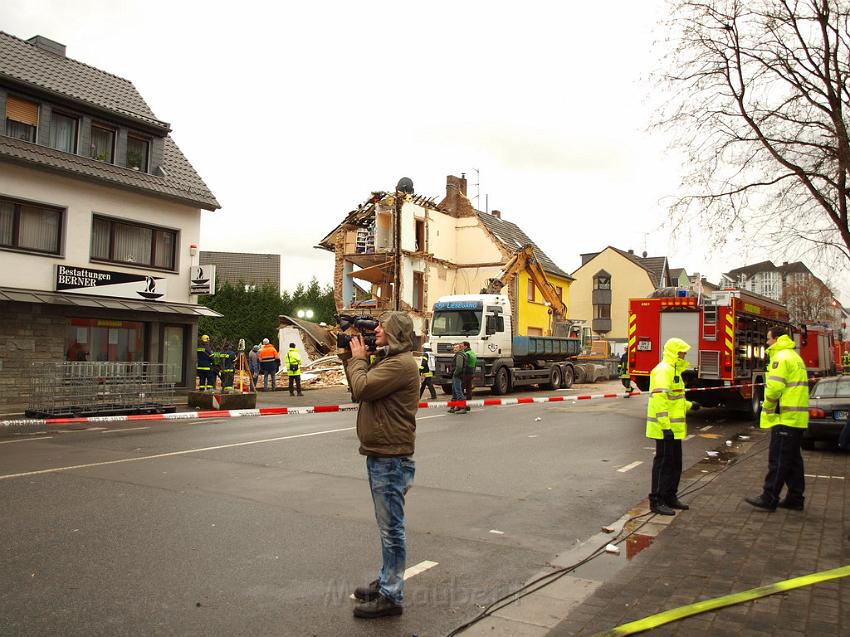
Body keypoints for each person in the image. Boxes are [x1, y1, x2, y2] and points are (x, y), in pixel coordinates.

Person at [343, 312, 419, 619]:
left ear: (395, 334)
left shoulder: (400, 365)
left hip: (390, 457)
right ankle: (387, 580)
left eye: (381, 328)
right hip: (384, 453)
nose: (375, 330)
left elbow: (361, 388)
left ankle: (391, 595)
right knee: (388, 528)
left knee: (392, 530)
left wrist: (358, 358)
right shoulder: (392, 361)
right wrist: (354, 358)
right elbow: (360, 388)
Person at [746, 326, 809, 511]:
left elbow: (773, 389)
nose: (767, 342)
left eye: (768, 339)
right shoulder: (795, 357)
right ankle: (795, 498)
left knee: (779, 459)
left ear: (777, 339)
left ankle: (769, 497)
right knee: (793, 460)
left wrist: (768, 410)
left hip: (785, 418)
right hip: (797, 418)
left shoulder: (780, 358)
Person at [646, 337, 700, 515]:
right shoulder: (663, 371)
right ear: (675, 352)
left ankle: (670, 496)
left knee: (675, 463)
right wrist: (665, 426)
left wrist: (690, 405)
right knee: (663, 464)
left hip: (673, 429)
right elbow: (660, 401)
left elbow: (675, 400)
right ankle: (657, 500)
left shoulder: (674, 370)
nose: (685, 354)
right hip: (664, 429)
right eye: (683, 351)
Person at [449, 343, 468, 414]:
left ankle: (463, 408)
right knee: (454, 391)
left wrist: (455, 374)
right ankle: (454, 407)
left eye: (456, 348)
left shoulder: (459, 355)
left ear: (460, 348)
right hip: (458, 375)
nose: (454, 349)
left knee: (458, 391)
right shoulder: (460, 354)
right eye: (454, 348)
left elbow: (459, 367)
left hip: (457, 376)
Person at [462, 341, 477, 411]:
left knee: (461, 388)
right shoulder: (472, 353)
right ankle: (468, 403)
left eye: (462, 346)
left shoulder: (466, 354)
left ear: (466, 346)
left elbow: (464, 363)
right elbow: (475, 363)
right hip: (471, 372)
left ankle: (462, 404)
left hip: (466, 372)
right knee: (468, 389)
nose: (462, 347)